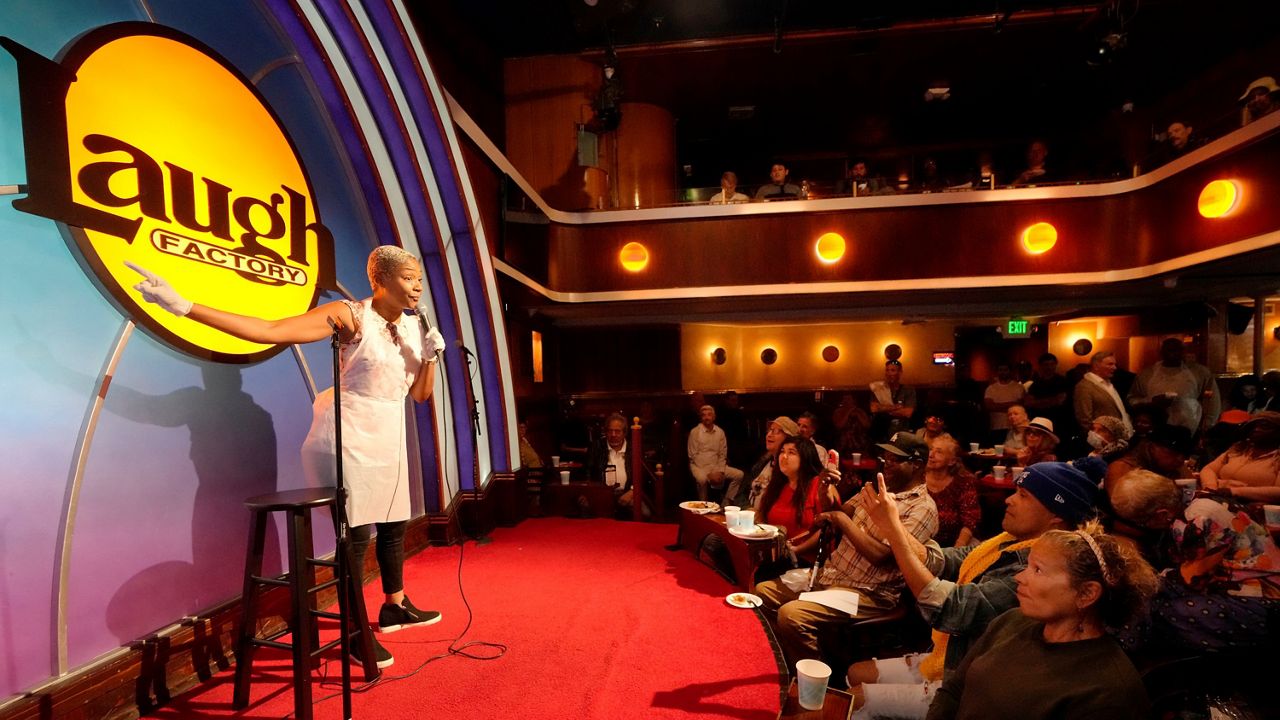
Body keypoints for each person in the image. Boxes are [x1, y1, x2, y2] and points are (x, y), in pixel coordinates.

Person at [127, 247, 444, 669]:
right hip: (346, 435)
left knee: (394, 521)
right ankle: (354, 630)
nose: (417, 286)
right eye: (408, 277)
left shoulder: (409, 327)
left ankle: (395, 606)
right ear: (380, 281)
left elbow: (420, 395)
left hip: (388, 435)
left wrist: (429, 358)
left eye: (419, 278)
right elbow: (271, 329)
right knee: (359, 532)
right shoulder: (352, 315)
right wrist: (185, 306)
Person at [848, 462, 1102, 718]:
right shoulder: (1005, 543)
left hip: (968, 681)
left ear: (1055, 515)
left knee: (855, 699)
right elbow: (943, 560)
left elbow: (950, 609)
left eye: (1023, 496)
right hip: (949, 657)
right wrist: (893, 527)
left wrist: (892, 529)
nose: (1009, 500)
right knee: (855, 672)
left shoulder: (1034, 567)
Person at [925, 522, 1158, 720]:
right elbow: (954, 690)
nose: (1019, 577)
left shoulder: (1108, 692)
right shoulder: (1012, 621)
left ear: (1087, 594)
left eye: (1037, 570)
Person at [754, 462, 938, 667]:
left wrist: (841, 519)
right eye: (886, 457)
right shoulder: (876, 489)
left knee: (791, 615)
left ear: (916, 465)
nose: (888, 464)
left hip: (869, 591)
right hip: (834, 574)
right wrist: (825, 490)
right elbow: (837, 512)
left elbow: (880, 555)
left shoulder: (922, 506)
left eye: (896, 459)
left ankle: (818, 678)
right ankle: (786, 659)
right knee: (763, 593)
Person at [757, 437, 838, 558]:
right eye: (782, 451)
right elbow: (762, 516)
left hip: (807, 562)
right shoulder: (777, 484)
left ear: (805, 458)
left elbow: (829, 528)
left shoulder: (820, 485)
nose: (784, 456)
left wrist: (797, 550)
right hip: (775, 555)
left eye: (791, 453)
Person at [1128, 338, 1220, 435]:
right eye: (1169, 350)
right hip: (1155, 430)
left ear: (1183, 352)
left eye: (1176, 350)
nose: (1172, 354)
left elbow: (1212, 402)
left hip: (1190, 429)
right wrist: (1151, 401)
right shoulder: (1146, 374)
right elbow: (1132, 399)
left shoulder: (1200, 373)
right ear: (1161, 352)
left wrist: (1207, 426)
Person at [1199, 411, 1280, 502]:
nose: (1256, 429)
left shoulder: (1277, 457)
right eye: (1253, 426)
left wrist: (1234, 491)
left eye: (1264, 426)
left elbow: (1278, 492)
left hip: (1252, 506)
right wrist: (1211, 486)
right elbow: (1209, 469)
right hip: (1217, 497)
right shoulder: (1239, 448)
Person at [730, 415, 799, 510]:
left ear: (789, 439)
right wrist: (748, 510)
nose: (769, 435)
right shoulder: (762, 462)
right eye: (770, 430)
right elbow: (741, 494)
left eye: (776, 431)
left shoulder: (790, 471)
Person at [922, 436, 980, 547]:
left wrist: (957, 548)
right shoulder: (918, 475)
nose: (931, 455)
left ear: (952, 461)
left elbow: (970, 520)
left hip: (955, 541)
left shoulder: (964, 481)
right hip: (919, 538)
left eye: (939, 452)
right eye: (931, 449)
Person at [1105, 423, 1195, 490]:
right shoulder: (1121, 468)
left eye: (1184, 455)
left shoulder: (1178, 468)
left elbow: (1195, 493)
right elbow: (1121, 506)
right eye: (1173, 453)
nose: (1180, 459)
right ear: (1152, 447)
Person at [687, 404, 744, 501]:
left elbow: (722, 454)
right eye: (704, 415)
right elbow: (693, 455)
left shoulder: (720, 432)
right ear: (701, 418)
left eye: (709, 415)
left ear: (713, 417)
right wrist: (709, 473)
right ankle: (703, 505)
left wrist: (720, 471)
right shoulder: (695, 432)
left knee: (739, 475)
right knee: (702, 479)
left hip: (716, 465)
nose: (706, 417)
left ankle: (727, 501)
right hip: (699, 465)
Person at [1073, 350, 1131, 434]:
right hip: (1104, 441)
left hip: (1120, 438)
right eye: (1110, 364)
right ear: (1096, 366)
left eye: (1115, 364)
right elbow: (1084, 420)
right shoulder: (1084, 387)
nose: (1115, 368)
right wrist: (1100, 439)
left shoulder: (1109, 384)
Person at [586, 412, 637, 509]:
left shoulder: (634, 448)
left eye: (617, 431)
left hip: (629, 494)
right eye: (610, 431)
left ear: (624, 433)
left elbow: (643, 476)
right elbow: (588, 474)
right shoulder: (596, 447)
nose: (613, 435)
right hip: (602, 495)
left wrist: (632, 492)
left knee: (645, 513)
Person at [870, 359, 916, 443]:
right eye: (887, 370)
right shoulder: (879, 389)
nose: (889, 373)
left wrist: (883, 408)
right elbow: (874, 408)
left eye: (893, 370)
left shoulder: (908, 390)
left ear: (900, 372)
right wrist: (895, 407)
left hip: (900, 432)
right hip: (881, 433)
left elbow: (908, 412)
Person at [983, 362, 1025, 446]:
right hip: (996, 427)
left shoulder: (1018, 387)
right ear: (997, 372)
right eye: (1000, 370)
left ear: (1010, 371)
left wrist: (998, 406)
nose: (1003, 372)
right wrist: (1012, 404)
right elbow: (989, 406)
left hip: (1015, 427)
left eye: (1005, 370)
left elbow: (1021, 406)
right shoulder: (991, 389)